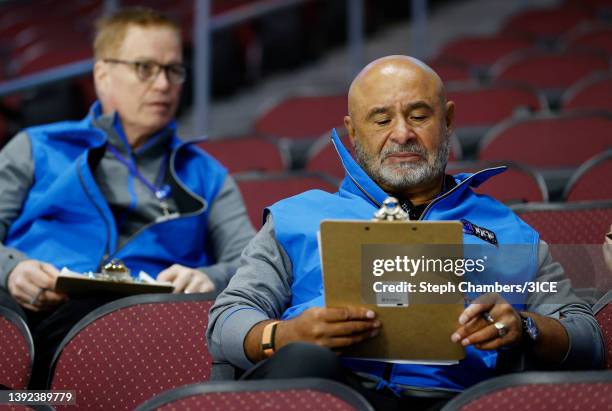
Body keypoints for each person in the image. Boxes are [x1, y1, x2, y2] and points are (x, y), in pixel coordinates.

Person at [207, 56, 604, 410]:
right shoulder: (296, 217)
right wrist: (286, 334)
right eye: (381, 120)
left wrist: (525, 329)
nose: (402, 134)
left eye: (418, 116)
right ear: (353, 131)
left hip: (460, 400)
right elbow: (226, 320)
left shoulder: (510, 231)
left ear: (447, 120)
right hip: (329, 391)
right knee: (305, 359)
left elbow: (586, 337)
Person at [0, 7, 254, 387]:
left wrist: (207, 278)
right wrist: (12, 269)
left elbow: (251, 263)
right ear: (103, 75)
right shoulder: (35, 148)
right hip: (38, 314)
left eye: (173, 70)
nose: (164, 84)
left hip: (154, 325)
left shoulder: (205, 173)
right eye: (145, 68)